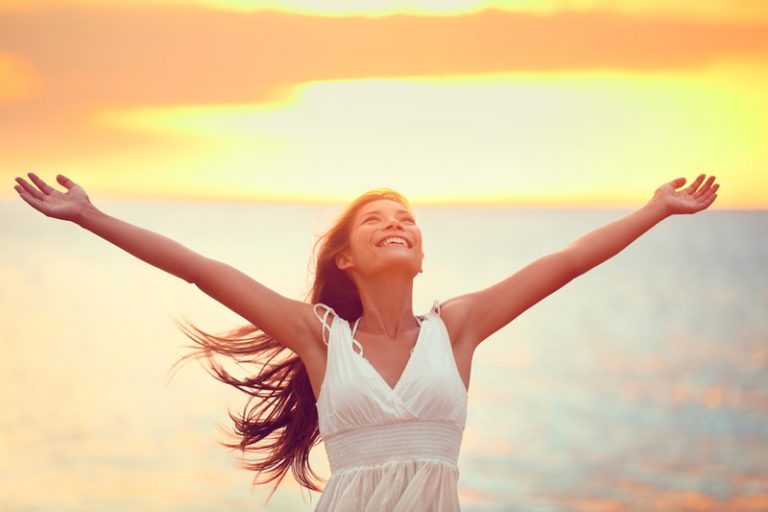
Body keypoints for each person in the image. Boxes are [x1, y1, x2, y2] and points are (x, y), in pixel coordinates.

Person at [13, 172, 719, 511]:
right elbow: (203, 271)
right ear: (345, 258)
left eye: (407, 219)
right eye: (377, 218)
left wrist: (657, 209)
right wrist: (90, 218)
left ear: (421, 250)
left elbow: (566, 261)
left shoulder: (458, 327)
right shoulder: (320, 340)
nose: (397, 224)